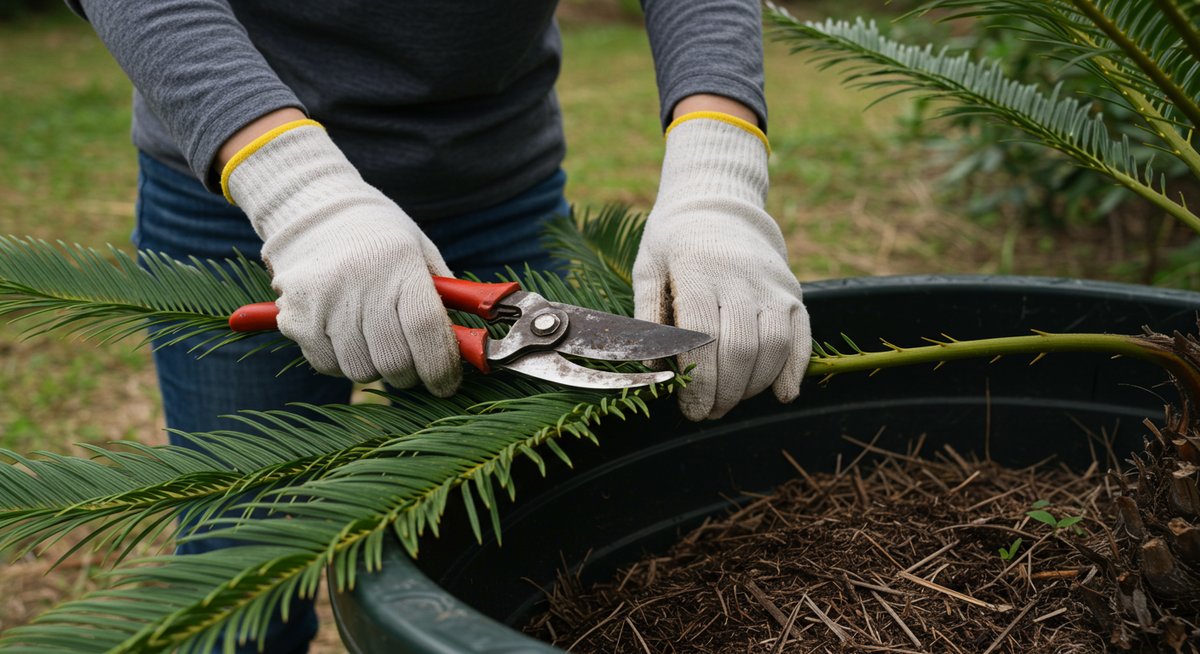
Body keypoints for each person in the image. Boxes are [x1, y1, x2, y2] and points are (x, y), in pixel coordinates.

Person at [69, 1, 812, 651]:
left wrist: (719, 172)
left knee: (532, 541)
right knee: (238, 571)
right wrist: (295, 187)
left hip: (498, 184)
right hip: (235, 187)